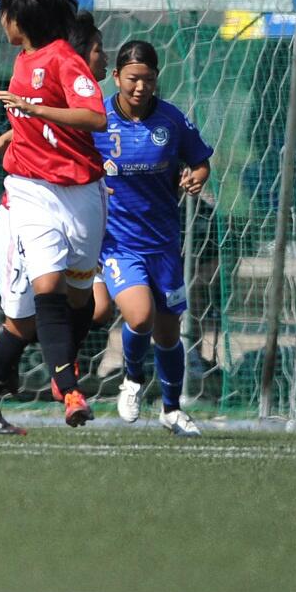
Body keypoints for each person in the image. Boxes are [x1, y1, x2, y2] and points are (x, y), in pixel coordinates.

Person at [0, 0, 108, 435]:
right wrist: (5, 137)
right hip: (28, 191)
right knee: (43, 290)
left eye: (3, 14)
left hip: (80, 192)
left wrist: (32, 110)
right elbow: (34, 120)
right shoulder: (24, 60)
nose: (0, 22)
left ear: (19, 19)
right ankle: (66, 386)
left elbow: (93, 117)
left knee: (80, 300)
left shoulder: (64, 59)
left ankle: (40, 376)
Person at [98, 40, 213, 438]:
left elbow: (200, 162)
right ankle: (131, 378)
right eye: (132, 78)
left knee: (168, 332)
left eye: (148, 79)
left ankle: (172, 409)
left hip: (163, 243)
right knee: (140, 316)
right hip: (117, 242)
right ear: (116, 77)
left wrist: (197, 177)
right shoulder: (96, 119)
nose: (140, 87)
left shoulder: (171, 120)